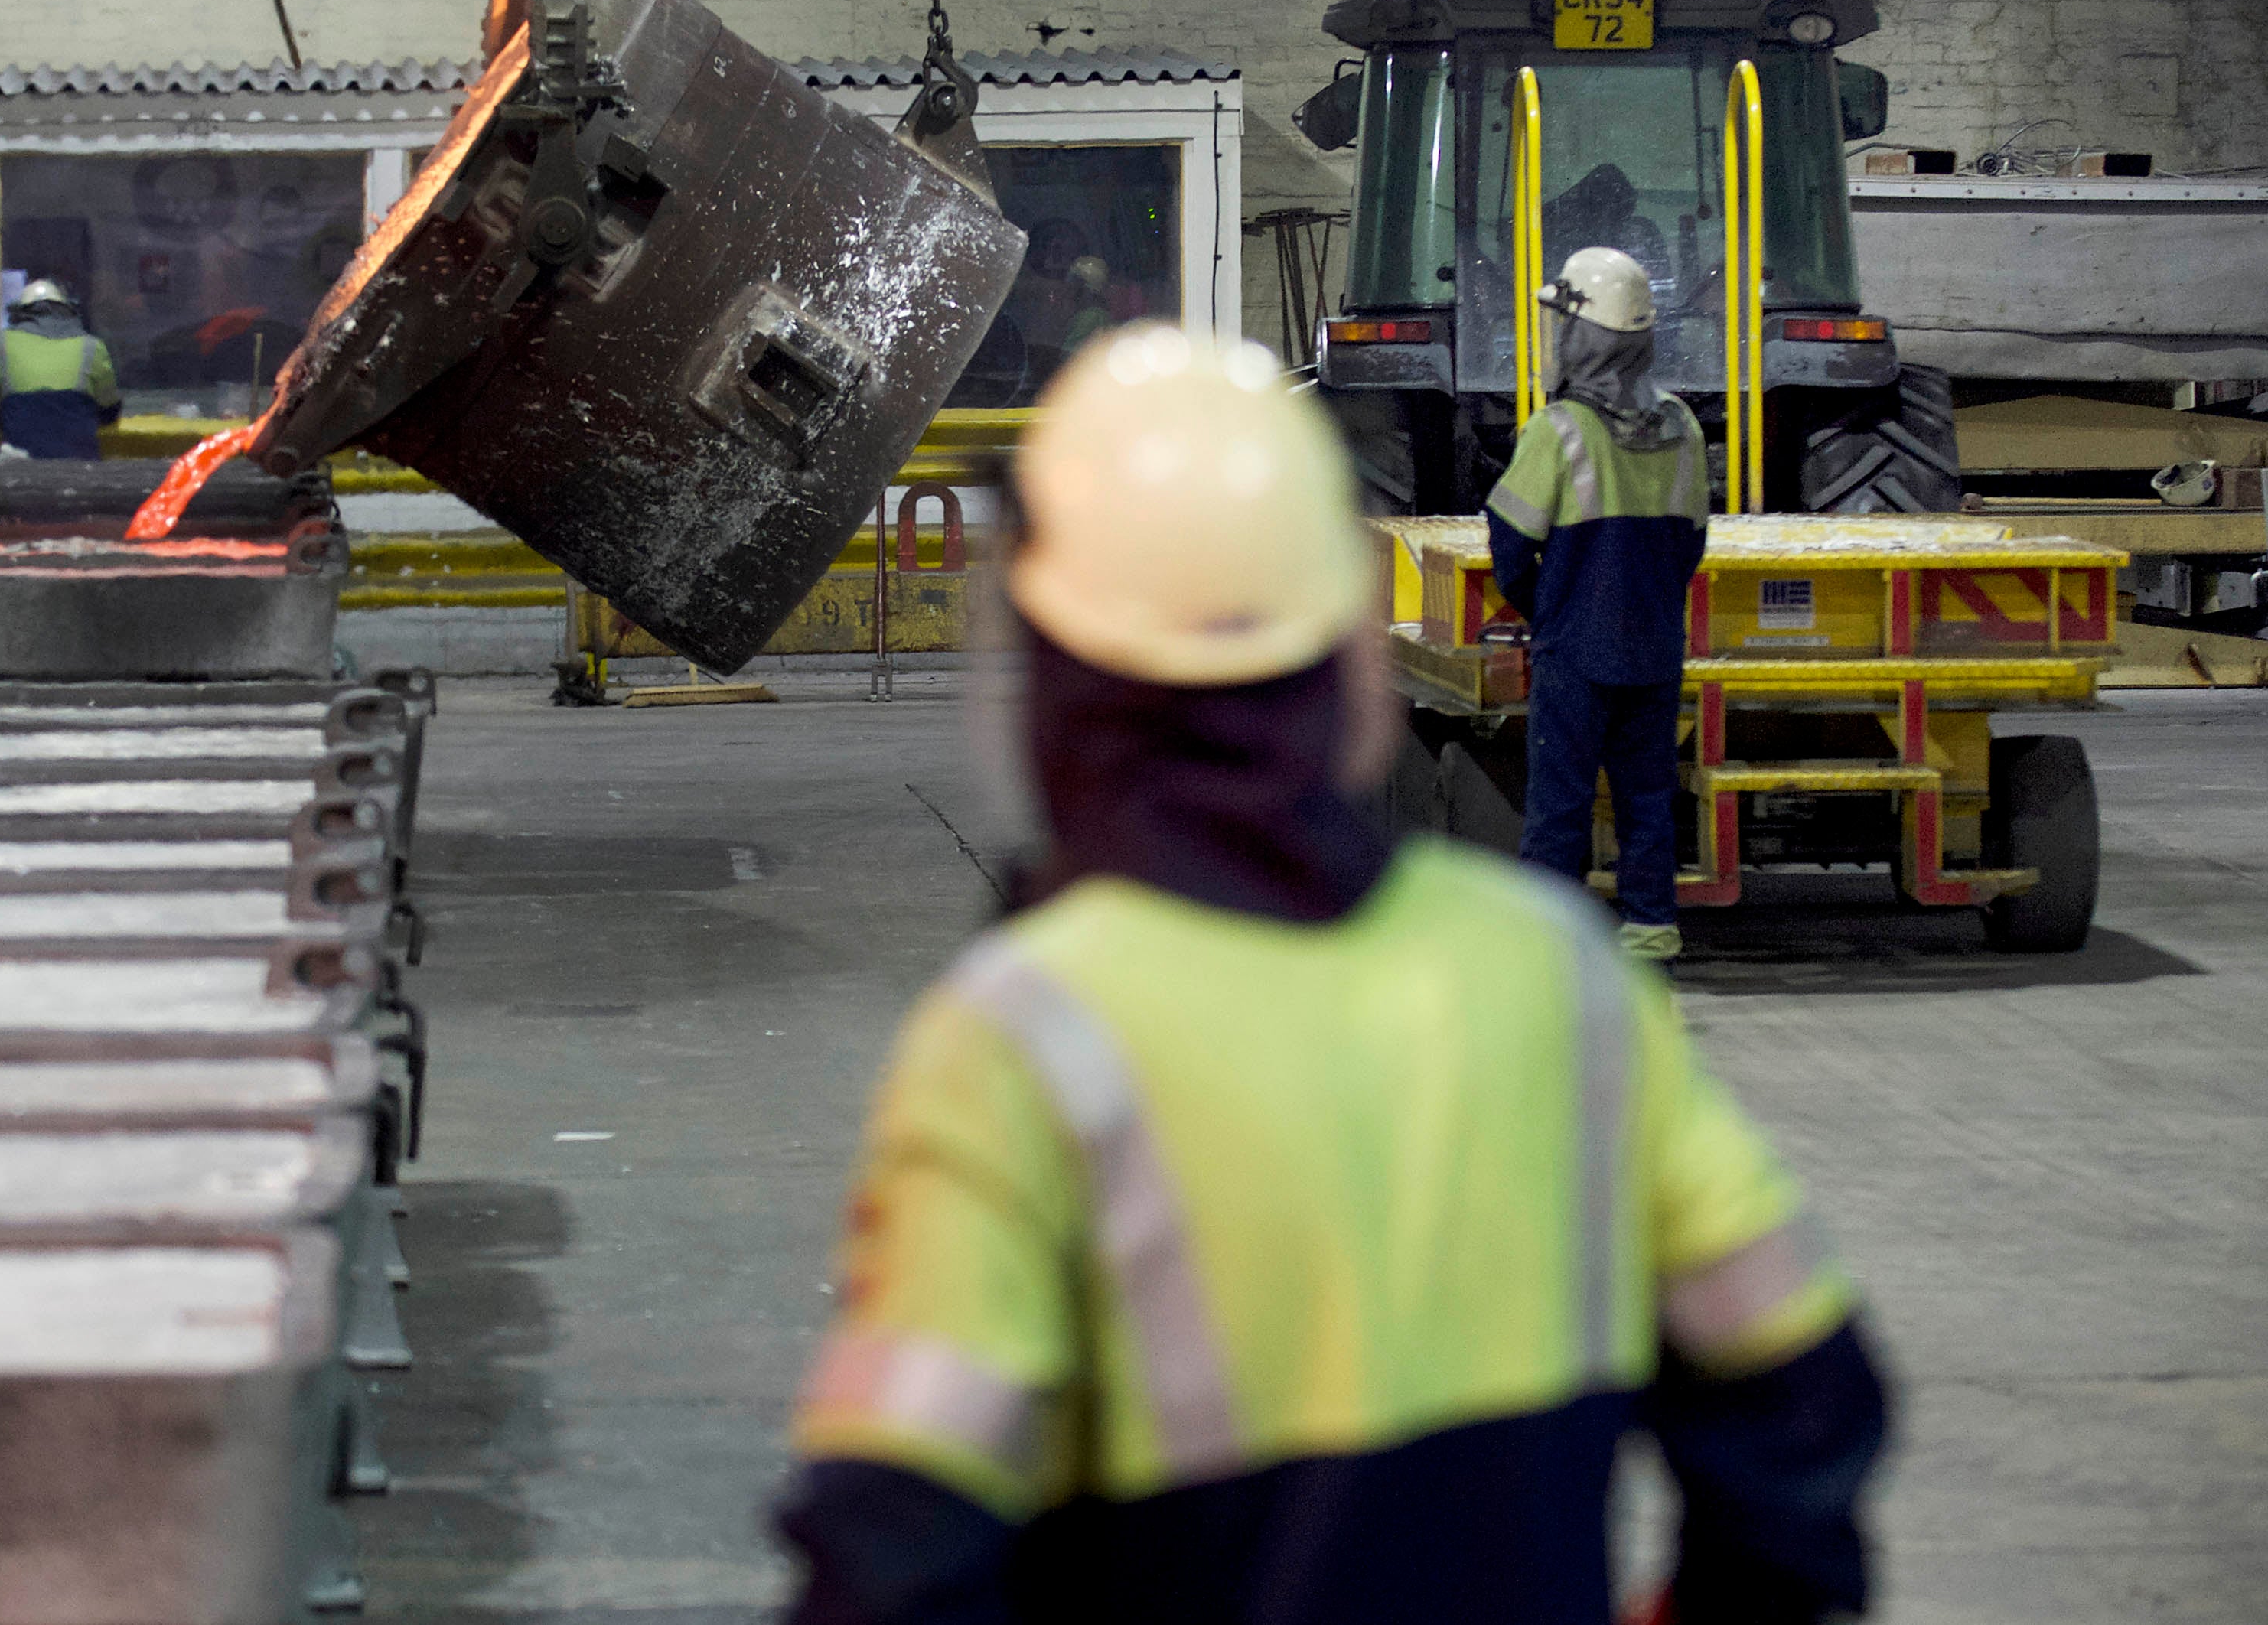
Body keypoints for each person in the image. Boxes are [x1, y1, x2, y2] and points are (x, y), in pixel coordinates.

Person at [775, 321, 1885, 1624]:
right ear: (1347, 658)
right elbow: (1804, 1404)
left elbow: (892, 1553)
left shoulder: (1031, 1036)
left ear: (1046, 682)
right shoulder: (1557, 976)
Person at [1488, 246, 1709, 963]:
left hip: (1577, 648)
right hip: (1654, 645)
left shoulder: (1557, 433)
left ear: (1582, 335)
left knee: (1560, 807)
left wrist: (1544, 606)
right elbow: (1690, 547)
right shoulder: (1684, 428)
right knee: (1648, 800)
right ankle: (1650, 929)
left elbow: (1511, 546)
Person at [0, 278, 121, 460]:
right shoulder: (92, 347)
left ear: (19, 313)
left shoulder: (3, 344)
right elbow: (110, 408)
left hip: (20, 459)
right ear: (68, 311)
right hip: (80, 459)